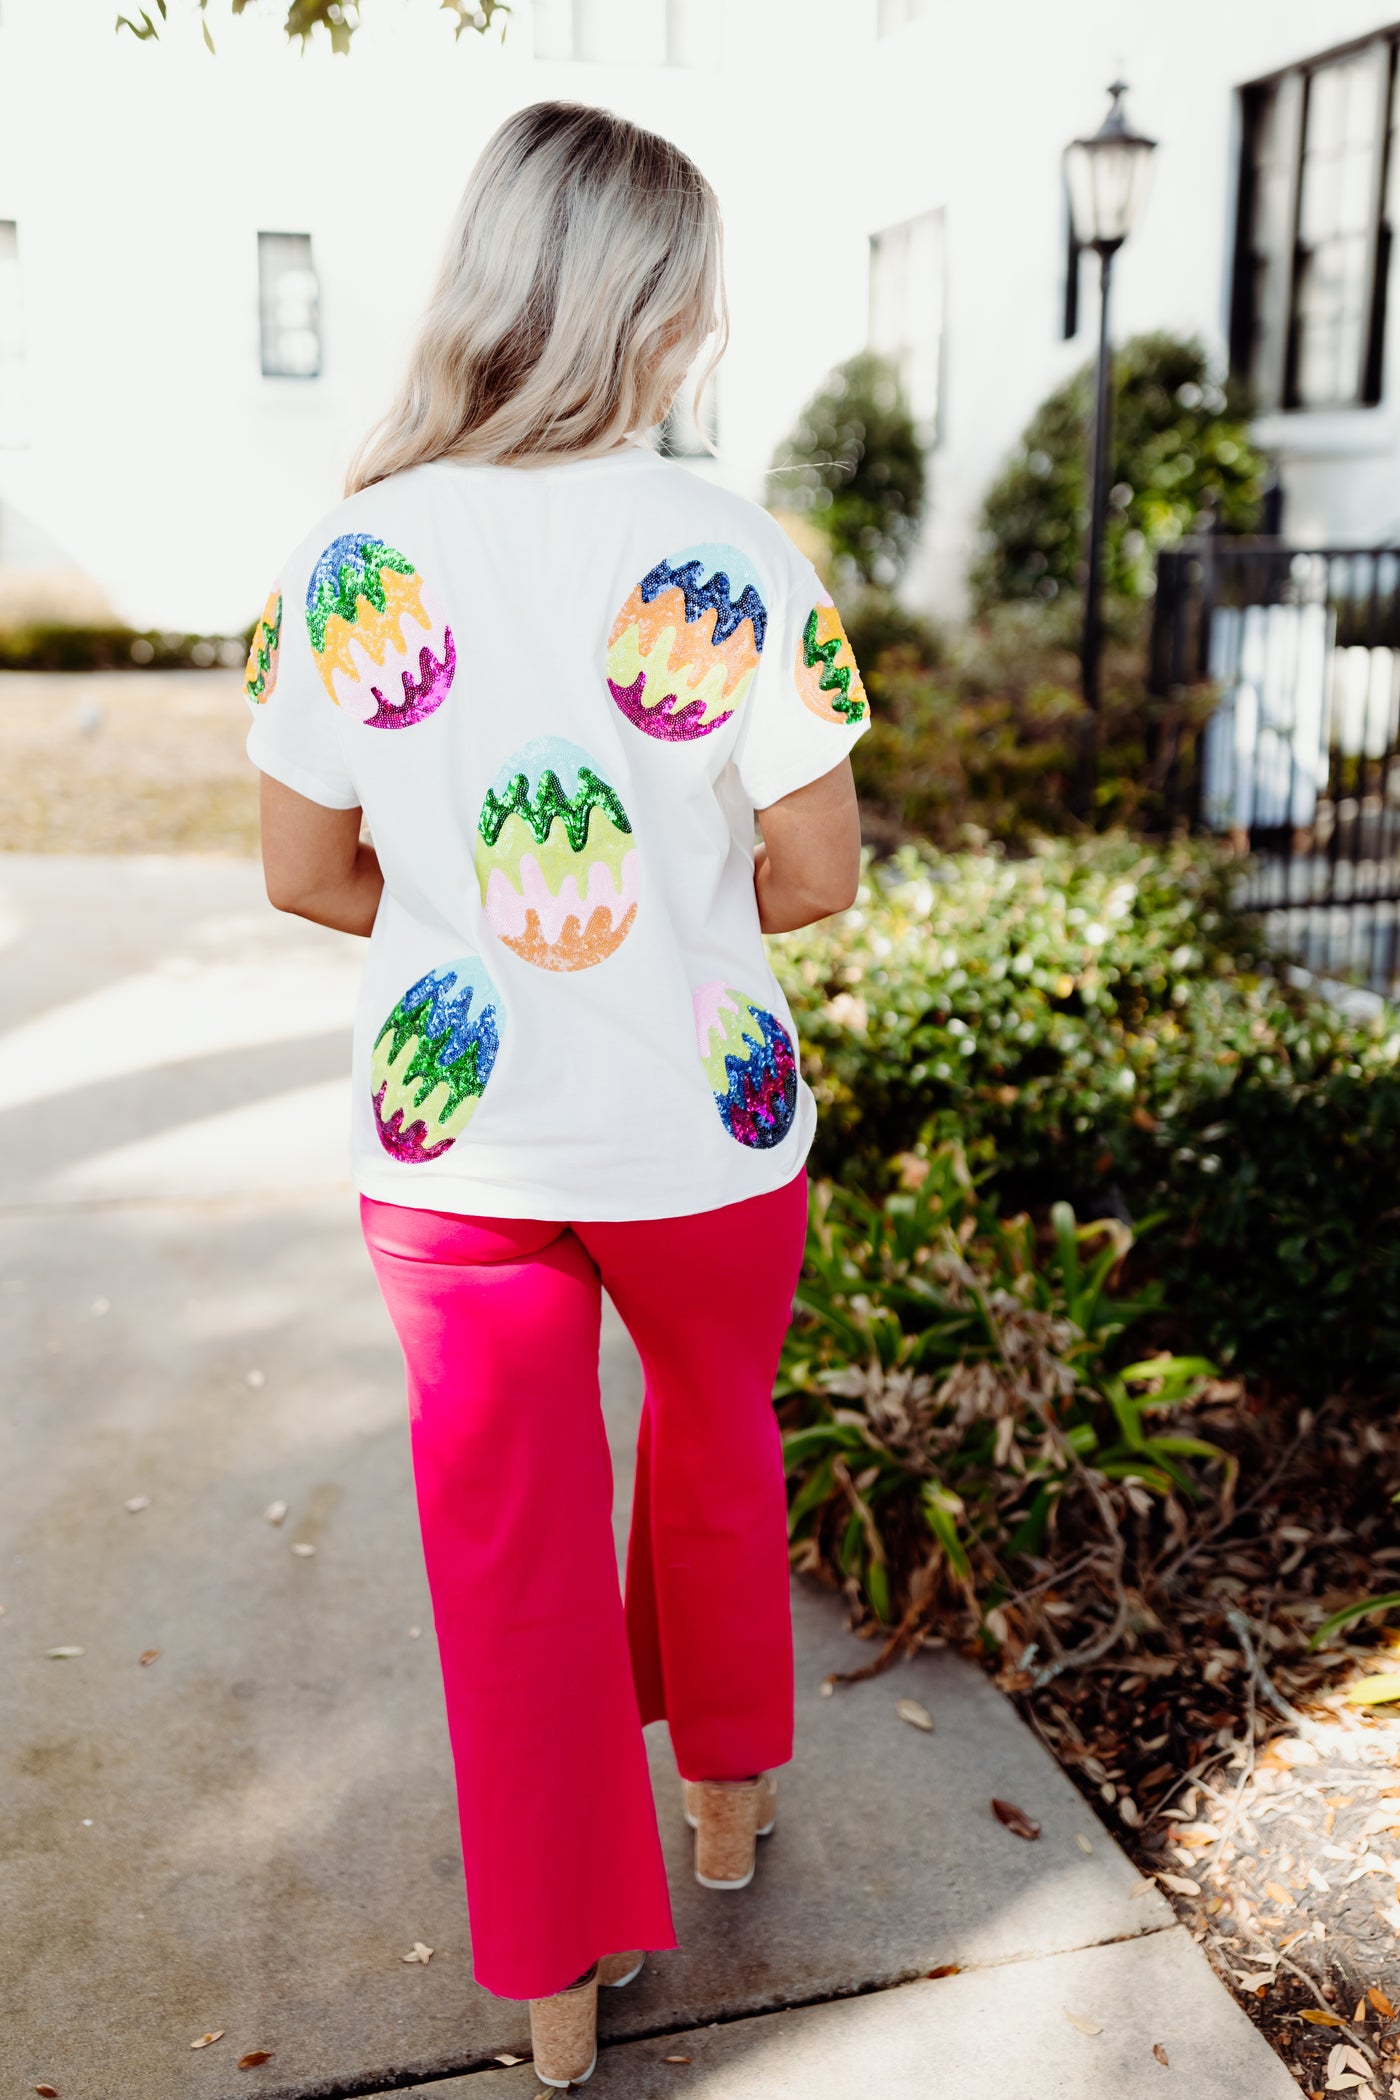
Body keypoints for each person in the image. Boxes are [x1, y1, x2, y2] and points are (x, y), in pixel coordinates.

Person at [245, 99, 870, 2089]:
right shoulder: (738, 546)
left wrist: (484, 943)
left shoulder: (352, 554)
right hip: (702, 1124)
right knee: (711, 1441)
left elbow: (301, 870)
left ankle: (551, 1995)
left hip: (456, 1143)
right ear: (653, 306)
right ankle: (726, 1806)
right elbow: (821, 872)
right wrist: (670, 929)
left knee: (501, 1549)